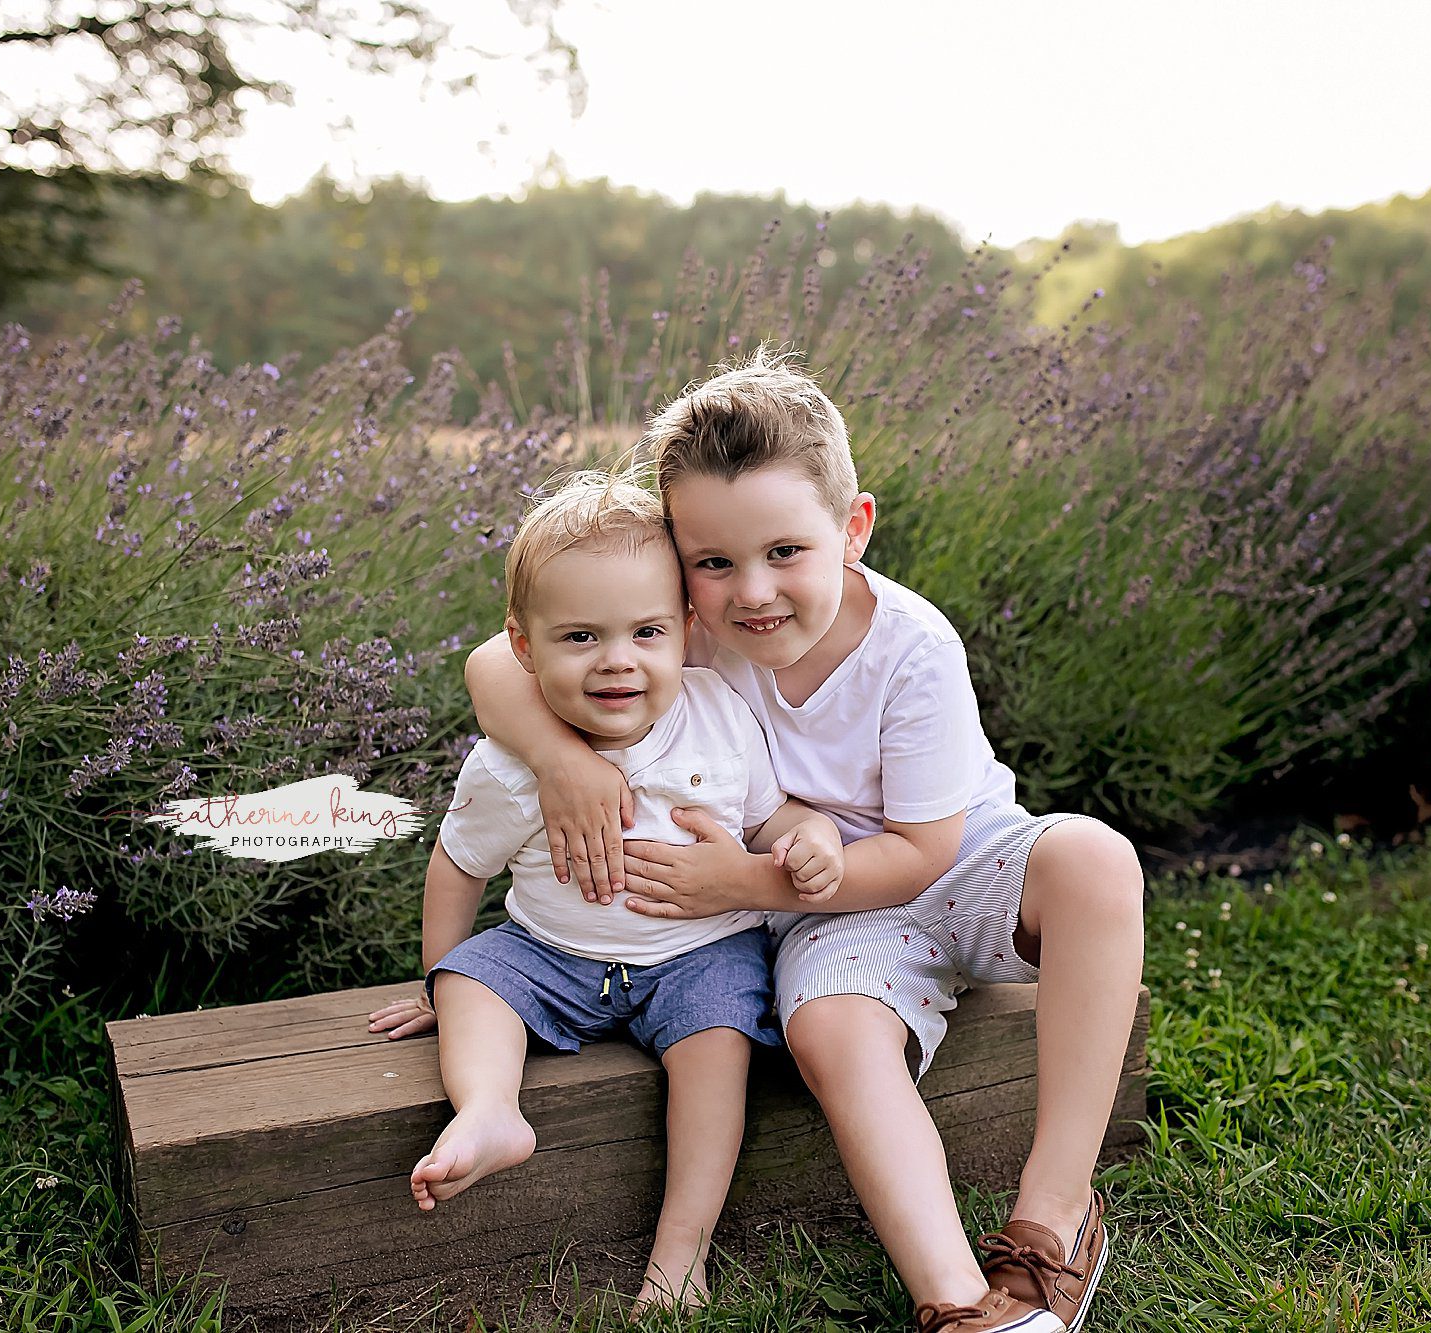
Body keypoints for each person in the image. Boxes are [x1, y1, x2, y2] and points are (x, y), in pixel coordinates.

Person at [463, 350, 1146, 1333]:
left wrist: (736, 879)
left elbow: (919, 852)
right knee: (827, 1030)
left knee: (1093, 856)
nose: (751, 592)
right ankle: (961, 1304)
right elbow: (496, 658)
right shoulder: (685, 630)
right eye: (712, 562)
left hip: (949, 866)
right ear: (676, 560)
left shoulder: (911, 645)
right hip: (826, 918)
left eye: (785, 551)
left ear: (851, 527)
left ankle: (1048, 1225)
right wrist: (559, 759)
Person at [367, 469, 845, 1312]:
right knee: (478, 981)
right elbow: (459, 864)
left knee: (717, 1052)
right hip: (550, 950)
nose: (618, 660)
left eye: (647, 632)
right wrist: (439, 977)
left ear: (686, 631)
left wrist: (809, 839)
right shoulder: (513, 765)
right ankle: (488, 1110)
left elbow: (772, 812)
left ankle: (680, 1252)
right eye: (581, 636)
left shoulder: (719, 714)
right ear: (524, 646)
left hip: (700, 951)